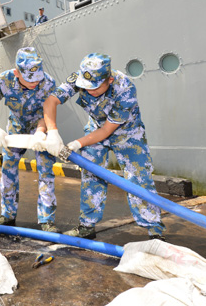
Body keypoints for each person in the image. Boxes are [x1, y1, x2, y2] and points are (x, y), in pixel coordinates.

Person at [40, 53, 166, 240]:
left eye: (96, 88)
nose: (90, 91)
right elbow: (51, 101)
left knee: (139, 178)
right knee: (91, 174)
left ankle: (153, 228)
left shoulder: (125, 88)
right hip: (96, 127)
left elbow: (107, 131)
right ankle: (87, 226)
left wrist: (76, 143)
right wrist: (52, 132)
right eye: (86, 87)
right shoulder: (81, 78)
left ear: (110, 79)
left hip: (127, 134)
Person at [0, 47, 60, 233]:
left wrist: (40, 132)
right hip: (15, 126)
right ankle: (7, 215)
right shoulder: (4, 80)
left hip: (40, 126)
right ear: (17, 73)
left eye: (37, 78)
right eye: (29, 79)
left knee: (46, 171)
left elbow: (48, 111)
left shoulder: (48, 83)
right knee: (8, 170)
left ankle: (47, 220)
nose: (34, 83)